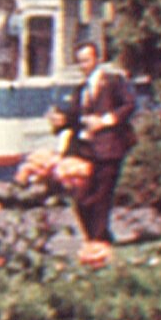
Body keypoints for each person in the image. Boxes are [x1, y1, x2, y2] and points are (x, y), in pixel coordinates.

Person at [54, 42, 137, 266]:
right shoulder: (81, 89)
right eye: (80, 61)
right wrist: (61, 121)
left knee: (101, 196)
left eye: (87, 60)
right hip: (85, 149)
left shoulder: (112, 82)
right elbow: (75, 117)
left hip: (109, 147)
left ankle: (98, 242)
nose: (83, 65)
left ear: (98, 59)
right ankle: (94, 236)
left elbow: (129, 105)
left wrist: (105, 121)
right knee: (81, 196)